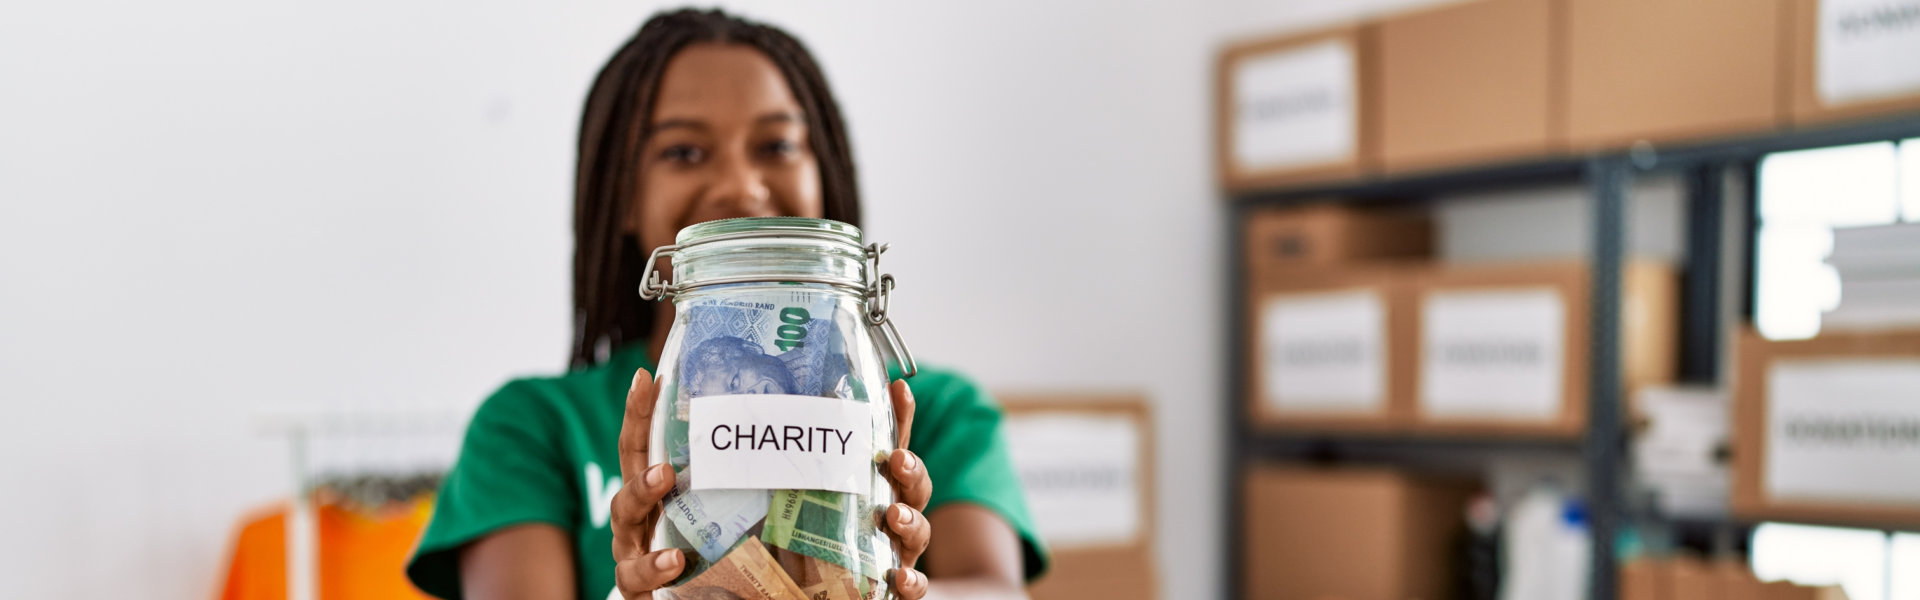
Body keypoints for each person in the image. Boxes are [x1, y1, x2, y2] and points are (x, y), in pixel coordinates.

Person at [404, 8, 1047, 600]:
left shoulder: (933, 412)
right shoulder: (531, 427)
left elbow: (992, 591)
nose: (741, 184)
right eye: (683, 152)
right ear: (622, 197)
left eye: (776, 145)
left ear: (827, 173)